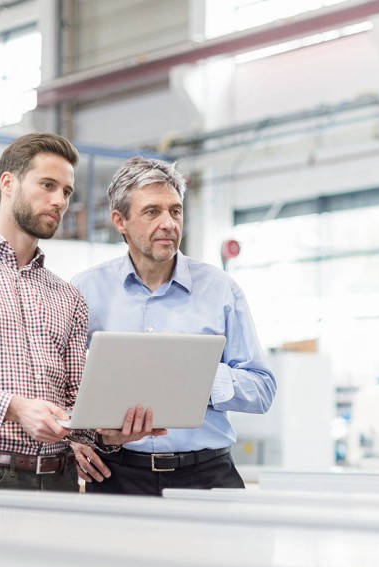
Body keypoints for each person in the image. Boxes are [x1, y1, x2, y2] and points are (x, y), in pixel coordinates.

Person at [0, 134, 165, 492]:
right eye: (48, 185)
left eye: (67, 192)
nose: (59, 201)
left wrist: (109, 433)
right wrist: (12, 407)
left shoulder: (67, 295)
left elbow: (75, 404)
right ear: (9, 183)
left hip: (59, 479)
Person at [70, 156, 276, 496]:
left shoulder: (221, 289)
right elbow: (63, 386)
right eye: (152, 212)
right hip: (119, 477)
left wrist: (198, 377)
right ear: (120, 220)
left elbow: (263, 389)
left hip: (208, 476)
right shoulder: (86, 291)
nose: (168, 223)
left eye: (175, 211)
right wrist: (74, 441)